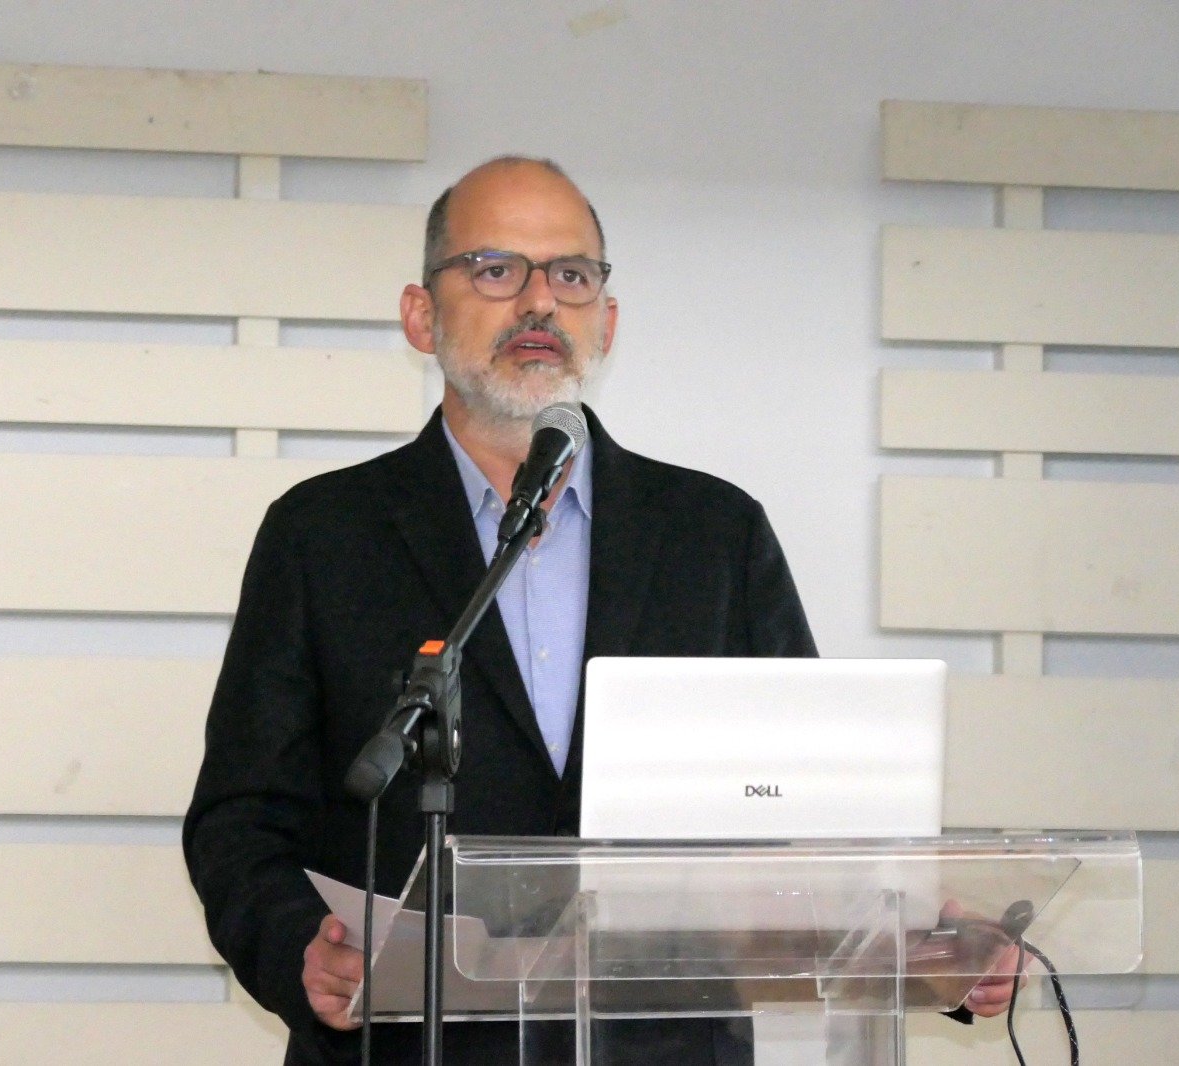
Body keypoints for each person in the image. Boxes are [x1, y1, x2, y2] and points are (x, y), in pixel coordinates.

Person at [183, 157, 1012, 1066]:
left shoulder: (714, 534)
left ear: (606, 321)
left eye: (571, 276)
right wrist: (300, 949)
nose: (540, 301)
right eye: (496, 270)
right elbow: (239, 821)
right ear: (422, 315)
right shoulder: (323, 533)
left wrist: (923, 936)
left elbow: (802, 814)